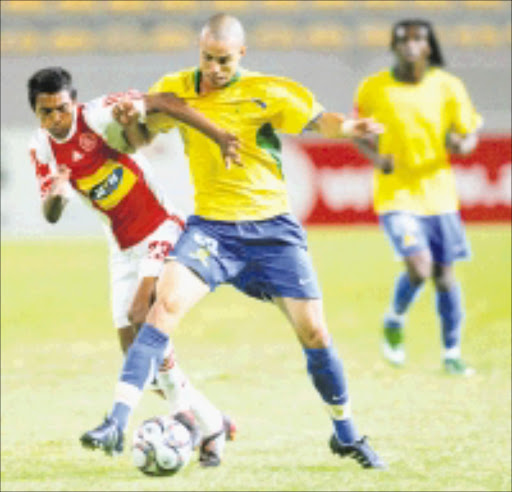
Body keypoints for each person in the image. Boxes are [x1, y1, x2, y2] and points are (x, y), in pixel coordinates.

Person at [81, 14, 387, 469]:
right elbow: (140, 139)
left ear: (241, 55)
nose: (215, 68)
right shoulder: (176, 87)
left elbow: (320, 121)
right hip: (212, 232)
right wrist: (129, 126)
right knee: (159, 309)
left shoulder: (270, 91)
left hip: (273, 233)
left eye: (224, 60)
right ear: (199, 51)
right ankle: (116, 421)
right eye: (207, 58)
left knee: (315, 332)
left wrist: (350, 129)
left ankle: (345, 433)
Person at [27, 66, 239, 466]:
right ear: (36, 114)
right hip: (121, 247)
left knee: (142, 314)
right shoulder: (40, 148)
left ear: (74, 102)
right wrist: (56, 193)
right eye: (46, 112)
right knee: (136, 358)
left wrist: (218, 135)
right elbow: (51, 213)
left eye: (62, 109)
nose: (56, 119)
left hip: (161, 225)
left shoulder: (97, 115)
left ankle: (189, 424)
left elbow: (167, 103)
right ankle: (212, 419)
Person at [352, 19, 482, 375]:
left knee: (444, 274)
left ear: (428, 46)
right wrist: (377, 158)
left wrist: (462, 145)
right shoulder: (374, 88)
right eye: (402, 40)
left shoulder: (448, 86)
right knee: (419, 266)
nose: (410, 45)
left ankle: (451, 353)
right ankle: (394, 319)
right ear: (393, 47)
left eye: (418, 39)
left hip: (439, 194)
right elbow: (357, 131)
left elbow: (469, 135)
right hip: (395, 194)